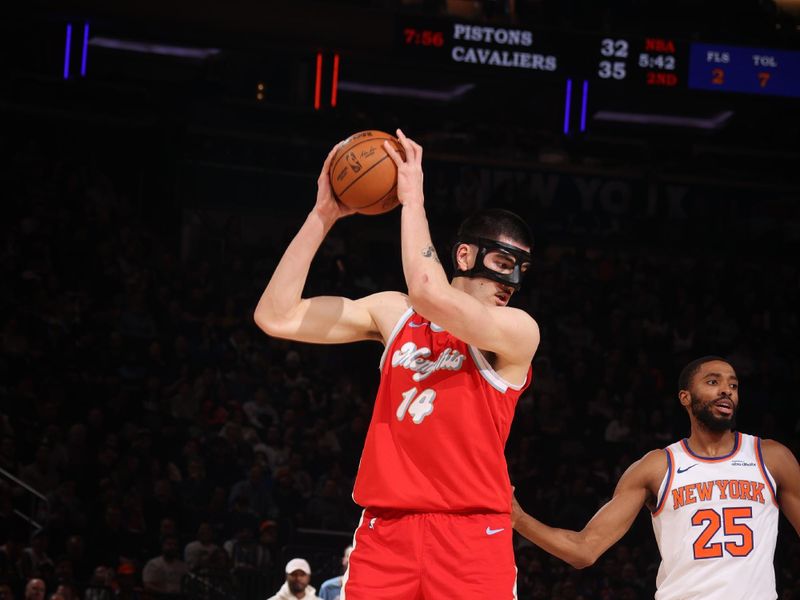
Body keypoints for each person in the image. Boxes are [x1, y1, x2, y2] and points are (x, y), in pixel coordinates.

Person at [254, 129, 539, 598]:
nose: (511, 280)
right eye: (503, 261)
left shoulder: (518, 330)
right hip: (386, 530)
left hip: (471, 535)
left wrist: (413, 199)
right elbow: (275, 315)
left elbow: (430, 290)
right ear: (465, 255)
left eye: (522, 270)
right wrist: (322, 216)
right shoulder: (394, 312)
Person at [512, 355, 800, 599]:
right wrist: (519, 518)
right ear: (685, 397)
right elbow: (584, 550)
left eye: (733, 385)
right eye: (713, 382)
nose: (727, 390)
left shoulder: (771, 457)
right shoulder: (658, 466)